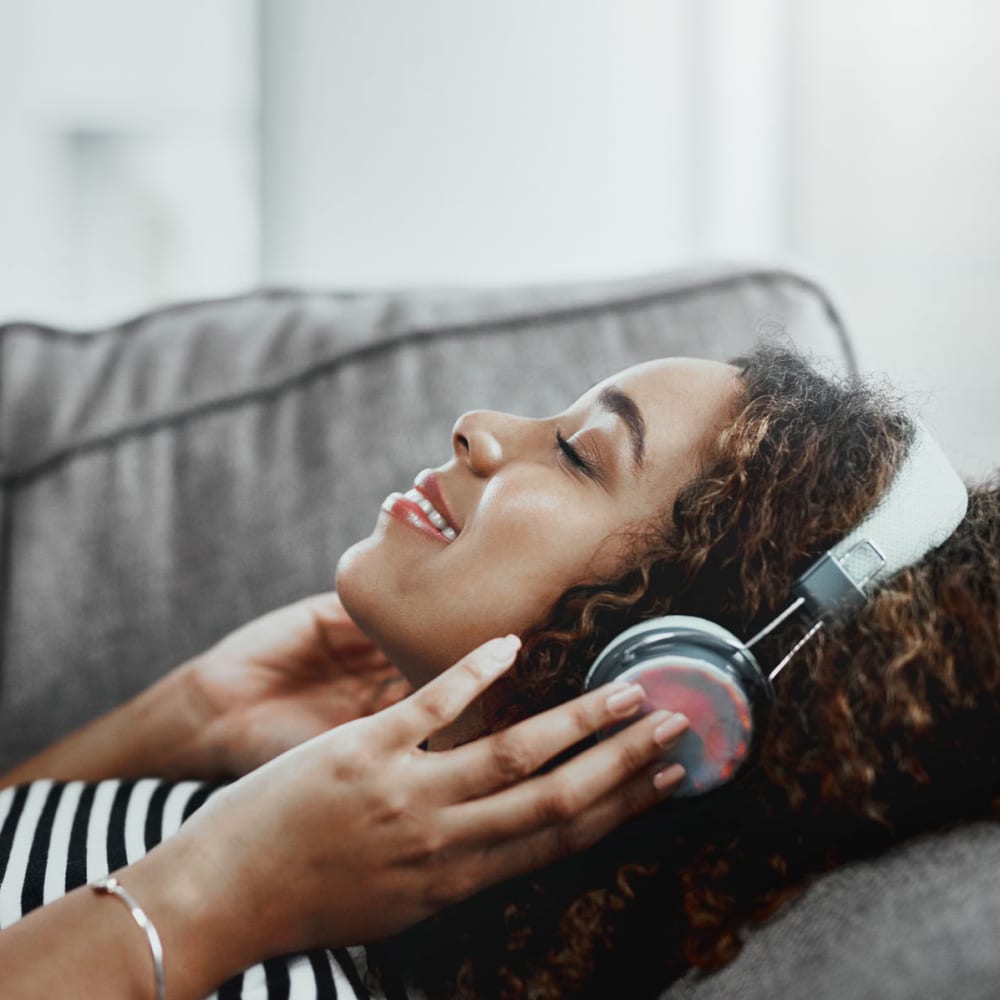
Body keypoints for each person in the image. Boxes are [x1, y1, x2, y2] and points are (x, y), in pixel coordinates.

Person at [1, 345, 996, 999]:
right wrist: (185, 717)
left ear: (670, 684)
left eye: (574, 452)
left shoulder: (264, 911)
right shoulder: (278, 810)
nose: (478, 425)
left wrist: (225, 888)